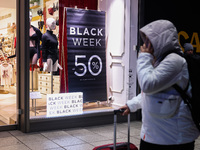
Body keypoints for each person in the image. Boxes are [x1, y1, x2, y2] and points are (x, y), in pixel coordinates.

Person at [120, 20, 199, 150]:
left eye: (149, 40)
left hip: (174, 140)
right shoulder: (159, 60)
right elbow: (151, 93)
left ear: (162, 40)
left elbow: (148, 84)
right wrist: (132, 104)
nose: (146, 45)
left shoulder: (175, 61)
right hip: (154, 136)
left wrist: (144, 57)